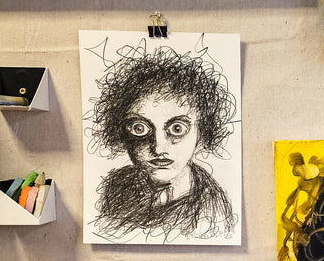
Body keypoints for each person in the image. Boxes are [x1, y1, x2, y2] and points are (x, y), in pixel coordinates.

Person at [89, 46, 237, 241]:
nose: (158, 148)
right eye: (139, 128)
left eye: (177, 129)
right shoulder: (113, 190)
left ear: (202, 133)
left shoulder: (213, 214)